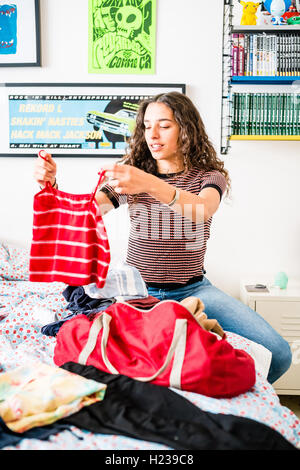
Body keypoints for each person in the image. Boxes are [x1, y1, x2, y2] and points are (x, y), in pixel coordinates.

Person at [34, 91, 291, 384]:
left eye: (164, 125)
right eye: (146, 126)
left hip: (194, 291)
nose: (152, 135)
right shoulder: (131, 177)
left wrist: (148, 182)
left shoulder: (208, 177)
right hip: (138, 294)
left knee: (279, 353)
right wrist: (51, 185)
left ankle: (233, 387)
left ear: (186, 129)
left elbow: (201, 209)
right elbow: (84, 215)